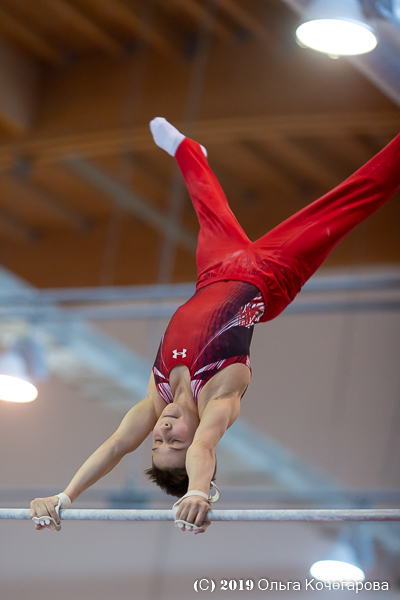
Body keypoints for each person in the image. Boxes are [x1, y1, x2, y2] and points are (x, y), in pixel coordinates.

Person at [30, 118, 400, 534]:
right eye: (175, 442)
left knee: (207, 203)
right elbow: (205, 444)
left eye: (157, 441)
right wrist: (198, 492)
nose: (164, 430)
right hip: (269, 276)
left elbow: (115, 446)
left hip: (214, 271)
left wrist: (64, 497)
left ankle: (189, 151)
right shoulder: (221, 398)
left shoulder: (156, 398)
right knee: (351, 199)